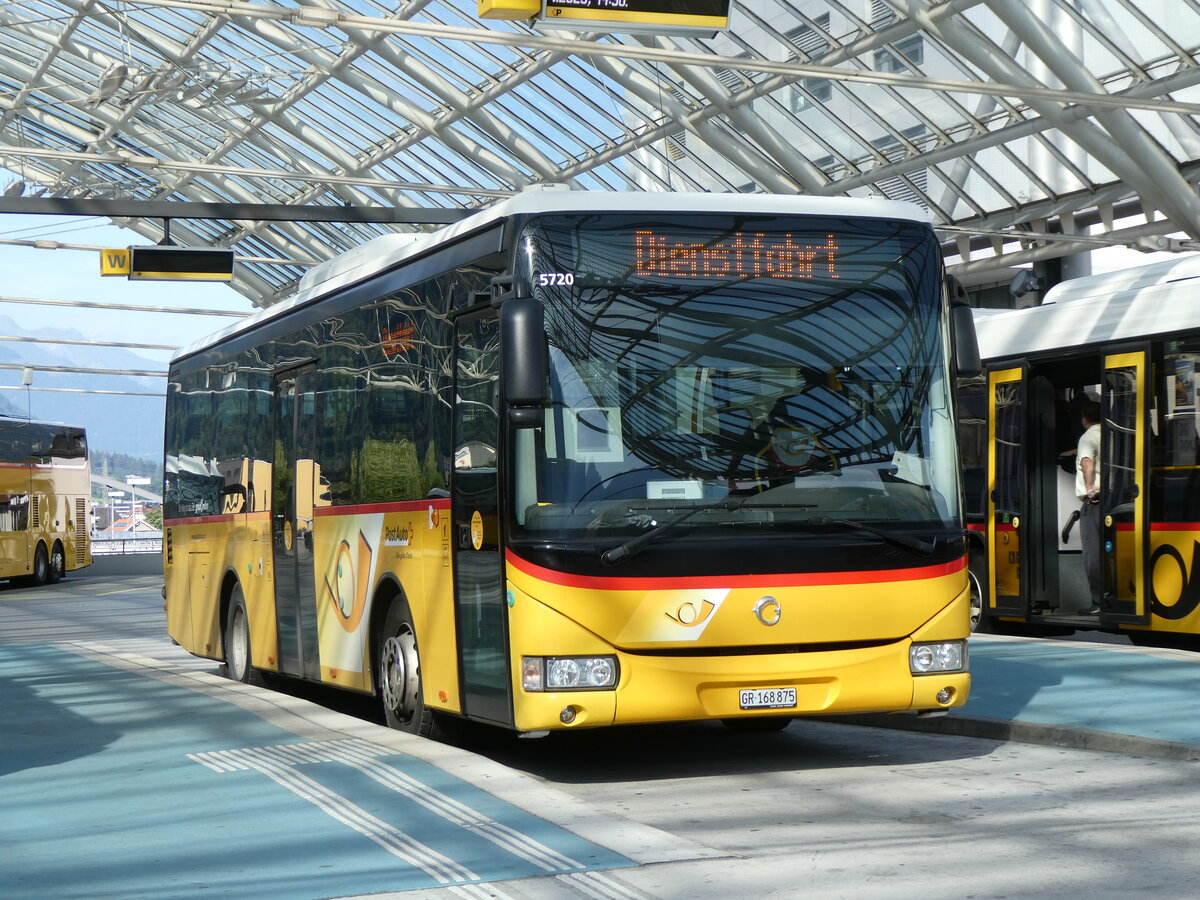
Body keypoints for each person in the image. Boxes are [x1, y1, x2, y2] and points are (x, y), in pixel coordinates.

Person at [1076, 401, 1103, 615]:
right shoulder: (1111, 433)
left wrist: (1090, 489)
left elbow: (1087, 462)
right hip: (1112, 500)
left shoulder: (1087, 437)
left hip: (1095, 502)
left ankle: (1098, 602)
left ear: (1084, 419)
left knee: (1092, 554)